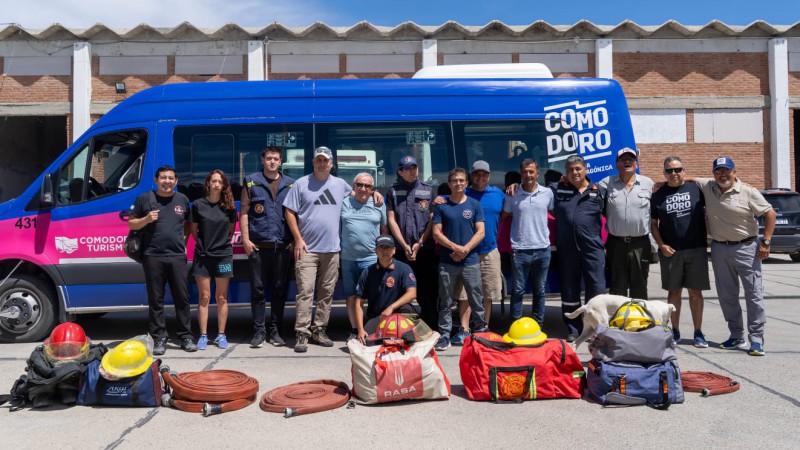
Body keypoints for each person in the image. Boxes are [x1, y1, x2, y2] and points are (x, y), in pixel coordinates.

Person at [284, 146, 376, 352]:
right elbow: (289, 212)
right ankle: (302, 333)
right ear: (313, 162)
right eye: (318, 160)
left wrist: (376, 194)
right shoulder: (301, 184)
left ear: (331, 163)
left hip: (332, 250)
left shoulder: (340, 184)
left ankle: (319, 330)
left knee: (326, 293)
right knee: (305, 292)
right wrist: (297, 238)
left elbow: (360, 194)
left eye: (325, 160)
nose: (322, 163)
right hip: (307, 249)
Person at [695, 157, 776, 356]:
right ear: (713, 174)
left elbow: (770, 213)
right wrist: (662, 183)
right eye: (718, 171)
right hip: (719, 248)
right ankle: (736, 336)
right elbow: (687, 179)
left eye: (727, 171)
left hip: (746, 248)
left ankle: (756, 339)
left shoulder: (747, 191)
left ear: (734, 172)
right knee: (726, 295)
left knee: (753, 295)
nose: (723, 175)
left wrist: (765, 241)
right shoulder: (708, 186)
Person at [128, 165, 194, 355]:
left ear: (176, 181)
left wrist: (184, 240)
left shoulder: (182, 199)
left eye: (170, 178)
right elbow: (131, 222)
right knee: (156, 300)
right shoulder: (145, 199)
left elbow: (188, 223)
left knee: (182, 298)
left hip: (177, 256)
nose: (167, 181)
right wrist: (147, 219)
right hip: (152, 255)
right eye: (163, 178)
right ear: (156, 180)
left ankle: (186, 336)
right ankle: (159, 338)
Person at [650, 156, 709, 347]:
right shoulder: (658, 194)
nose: (674, 173)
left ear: (684, 170)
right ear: (664, 173)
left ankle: (698, 332)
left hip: (696, 249)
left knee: (695, 292)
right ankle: (674, 331)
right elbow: (653, 224)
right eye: (669, 170)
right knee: (673, 293)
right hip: (671, 252)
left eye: (677, 169)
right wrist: (661, 245)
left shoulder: (697, 189)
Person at [240, 146, 295, 348]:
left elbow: (297, 214)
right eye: (269, 158)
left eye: (276, 159)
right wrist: (245, 240)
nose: (272, 161)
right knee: (258, 290)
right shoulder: (251, 181)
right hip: (258, 246)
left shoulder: (290, 184)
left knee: (280, 290)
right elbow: (244, 212)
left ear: (281, 162)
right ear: (262, 159)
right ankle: (259, 331)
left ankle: (276, 331)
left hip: (282, 246)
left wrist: (295, 240)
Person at [550, 155, 607, 342]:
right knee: (569, 290)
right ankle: (573, 329)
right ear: (565, 172)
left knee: (596, 288)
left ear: (585, 169)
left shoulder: (599, 191)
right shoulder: (556, 190)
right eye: (571, 169)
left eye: (578, 169)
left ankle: (593, 327)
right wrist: (514, 186)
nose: (575, 172)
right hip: (567, 249)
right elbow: (533, 189)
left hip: (593, 248)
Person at [432, 167, 487, 351]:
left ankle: (480, 332)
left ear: (467, 183)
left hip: (470, 261)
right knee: (445, 300)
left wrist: (465, 249)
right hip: (448, 261)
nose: (458, 183)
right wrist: (456, 248)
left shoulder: (474, 205)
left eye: (462, 180)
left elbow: (481, 232)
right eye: (455, 180)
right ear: (449, 184)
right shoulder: (442, 205)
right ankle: (444, 335)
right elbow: (437, 233)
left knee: (476, 298)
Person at [386, 155, 438, 329]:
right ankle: (399, 328)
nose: (412, 171)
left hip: (424, 250)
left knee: (427, 291)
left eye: (414, 167)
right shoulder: (392, 191)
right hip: (401, 250)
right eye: (408, 168)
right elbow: (391, 220)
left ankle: (431, 327)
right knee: (399, 290)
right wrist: (404, 245)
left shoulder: (428, 190)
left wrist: (420, 243)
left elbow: (432, 220)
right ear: (400, 172)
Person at [501, 159, 554, 326]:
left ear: (537, 173)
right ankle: (515, 325)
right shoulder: (513, 194)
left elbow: (555, 213)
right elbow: (503, 217)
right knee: (517, 291)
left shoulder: (548, 193)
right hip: (519, 250)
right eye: (525, 172)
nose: (528, 175)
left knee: (540, 291)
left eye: (531, 172)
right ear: (521, 173)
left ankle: (538, 325)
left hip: (542, 249)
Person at [190, 170, 237, 350]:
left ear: (224, 185)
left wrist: (218, 244)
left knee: (221, 297)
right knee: (204, 297)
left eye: (220, 181)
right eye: (213, 181)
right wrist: (205, 245)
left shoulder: (229, 207)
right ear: (208, 183)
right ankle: (203, 336)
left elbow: (231, 231)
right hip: (203, 256)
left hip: (223, 255)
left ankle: (221, 335)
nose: (216, 184)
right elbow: (194, 230)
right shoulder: (198, 205)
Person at [598, 147, 654, 299]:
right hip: (616, 244)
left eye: (631, 159)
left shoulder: (648, 184)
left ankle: (639, 321)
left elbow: (655, 213)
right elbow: (590, 195)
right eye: (623, 160)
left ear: (636, 163)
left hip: (640, 243)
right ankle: (619, 320)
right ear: (617, 164)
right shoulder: (605, 184)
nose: (627, 162)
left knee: (640, 285)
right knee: (617, 286)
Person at [341, 173, 388, 342]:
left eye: (367, 186)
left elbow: (384, 229)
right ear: (353, 186)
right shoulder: (344, 202)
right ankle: (355, 330)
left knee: (376, 294)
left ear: (372, 189)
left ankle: (376, 329)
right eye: (359, 185)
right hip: (348, 258)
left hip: (370, 257)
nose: (363, 189)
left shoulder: (378, 203)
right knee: (352, 296)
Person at [353, 235, 418, 344]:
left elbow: (412, 294)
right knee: (366, 342)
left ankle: (406, 338)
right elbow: (358, 303)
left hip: (398, 316)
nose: (385, 251)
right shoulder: (368, 272)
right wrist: (360, 330)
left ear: (394, 250)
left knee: (407, 311)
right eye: (381, 248)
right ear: (375, 251)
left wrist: (391, 308)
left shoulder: (404, 268)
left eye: (388, 248)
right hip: (379, 317)